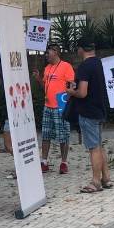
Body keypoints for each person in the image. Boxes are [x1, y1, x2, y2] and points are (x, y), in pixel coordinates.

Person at [68, 38, 112, 193]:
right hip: (100, 109)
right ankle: (106, 178)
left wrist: (71, 91)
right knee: (99, 145)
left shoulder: (84, 67)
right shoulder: (100, 64)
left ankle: (95, 181)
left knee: (93, 148)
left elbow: (82, 92)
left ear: (80, 49)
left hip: (88, 111)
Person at [33, 44, 74, 174]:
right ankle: (44, 161)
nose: (46, 55)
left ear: (56, 52)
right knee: (45, 134)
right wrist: (38, 78)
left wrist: (66, 102)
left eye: (48, 52)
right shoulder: (47, 68)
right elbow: (44, 85)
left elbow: (72, 85)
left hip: (60, 107)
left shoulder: (66, 66)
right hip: (48, 106)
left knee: (63, 136)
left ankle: (64, 162)